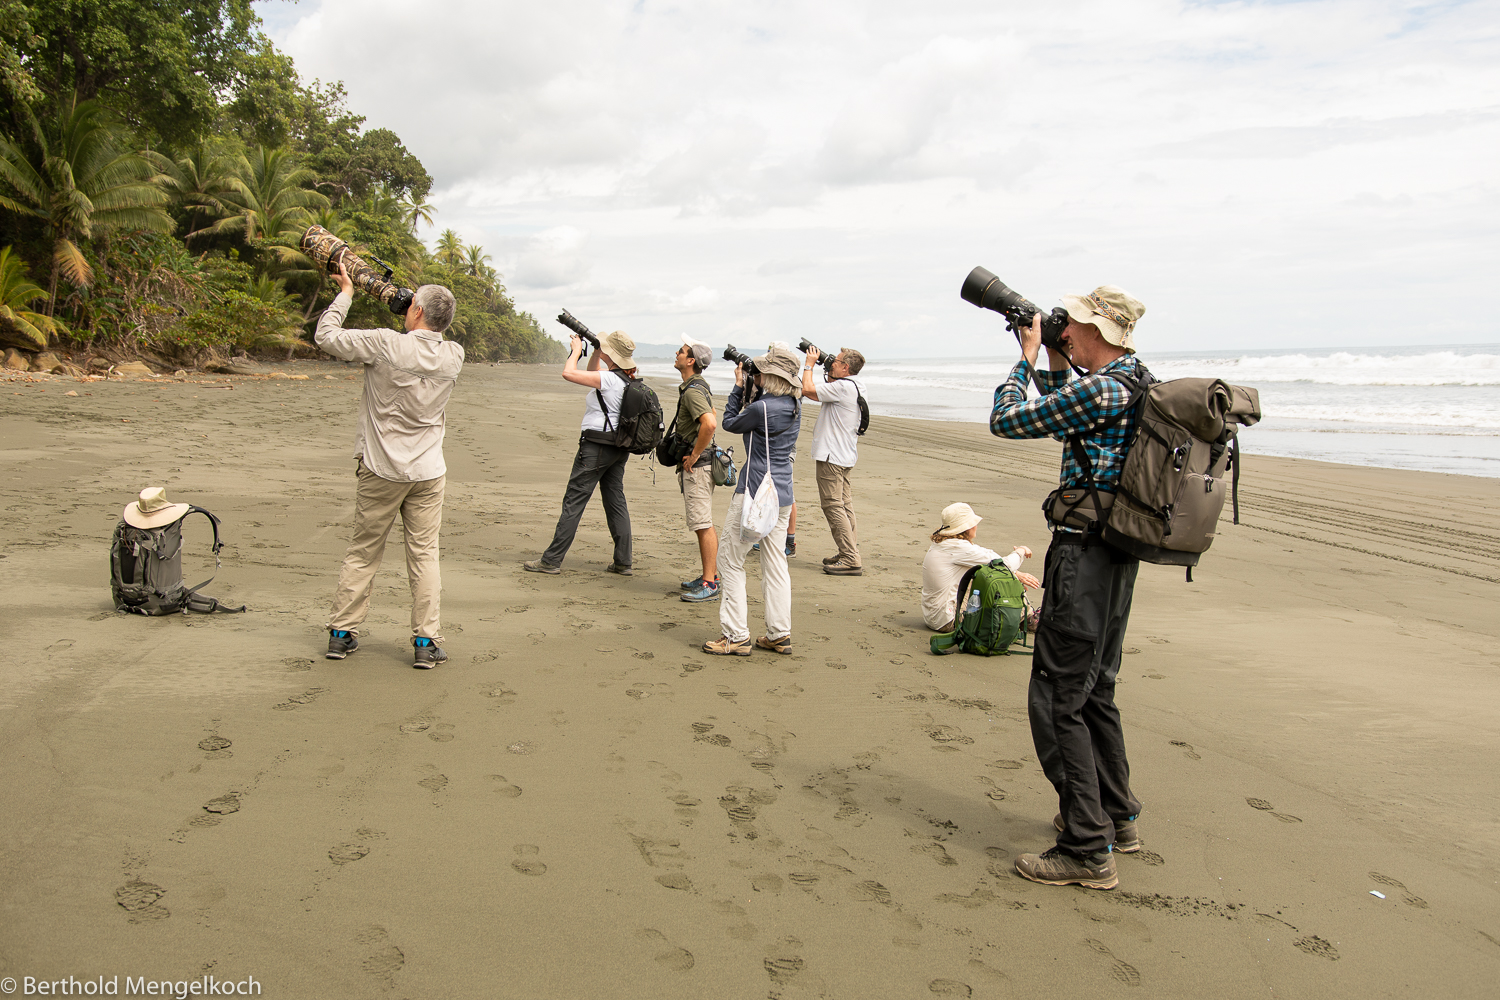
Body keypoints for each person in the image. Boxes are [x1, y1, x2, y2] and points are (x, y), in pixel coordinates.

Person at [989, 284, 1150, 890]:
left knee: (1060, 696)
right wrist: (1057, 358)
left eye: (1075, 328)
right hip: (1118, 555)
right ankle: (1118, 816)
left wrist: (1026, 356)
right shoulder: (1133, 380)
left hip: (1081, 557)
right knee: (1095, 687)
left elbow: (1006, 420)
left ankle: (1086, 846)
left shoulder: (1102, 386)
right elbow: (1073, 413)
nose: (1069, 332)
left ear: (1098, 334)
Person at [315, 262, 463, 669]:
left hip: (381, 467)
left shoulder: (384, 344)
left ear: (415, 310)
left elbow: (326, 336)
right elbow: (422, 338)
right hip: (428, 470)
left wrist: (346, 292)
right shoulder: (454, 355)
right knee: (424, 554)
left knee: (364, 551)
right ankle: (426, 640)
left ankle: (342, 633)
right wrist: (413, 310)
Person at [702, 344, 803, 656]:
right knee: (775, 563)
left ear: (769, 376)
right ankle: (779, 633)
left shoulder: (762, 409)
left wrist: (738, 386)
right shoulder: (793, 405)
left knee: (729, 560)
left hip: (755, 493)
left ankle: (735, 636)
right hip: (782, 493)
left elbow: (730, 423)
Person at [524, 330, 639, 576]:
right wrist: (597, 351)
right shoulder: (623, 378)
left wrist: (576, 350)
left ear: (612, 353)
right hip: (618, 448)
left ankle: (551, 560)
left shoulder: (609, 379)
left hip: (596, 447)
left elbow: (569, 373)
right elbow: (592, 370)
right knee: (615, 501)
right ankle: (623, 561)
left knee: (574, 501)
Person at [921, 502, 1040, 631]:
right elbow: (1003, 564)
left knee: (996, 575)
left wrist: (1015, 573)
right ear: (966, 528)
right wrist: (1021, 551)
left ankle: (1025, 616)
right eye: (973, 523)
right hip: (949, 620)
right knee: (1003, 582)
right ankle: (1027, 618)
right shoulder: (958, 548)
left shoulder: (943, 543)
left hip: (934, 616)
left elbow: (991, 561)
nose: (976, 526)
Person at [802, 345, 866, 576]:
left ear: (845, 367)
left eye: (836, 362)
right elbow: (821, 390)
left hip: (831, 456)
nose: (831, 364)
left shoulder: (841, 387)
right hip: (845, 454)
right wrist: (828, 370)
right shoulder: (857, 385)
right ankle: (848, 550)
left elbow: (807, 390)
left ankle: (850, 557)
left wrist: (809, 363)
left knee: (832, 505)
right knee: (844, 505)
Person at [673, 335, 720, 602]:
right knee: (703, 523)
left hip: (698, 467)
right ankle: (709, 576)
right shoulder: (699, 385)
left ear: (690, 361)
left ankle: (710, 583)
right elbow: (713, 413)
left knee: (703, 524)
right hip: (703, 464)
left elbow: (710, 423)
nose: (677, 354)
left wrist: (694, 455)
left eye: (681, 351)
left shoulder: (692, 390)